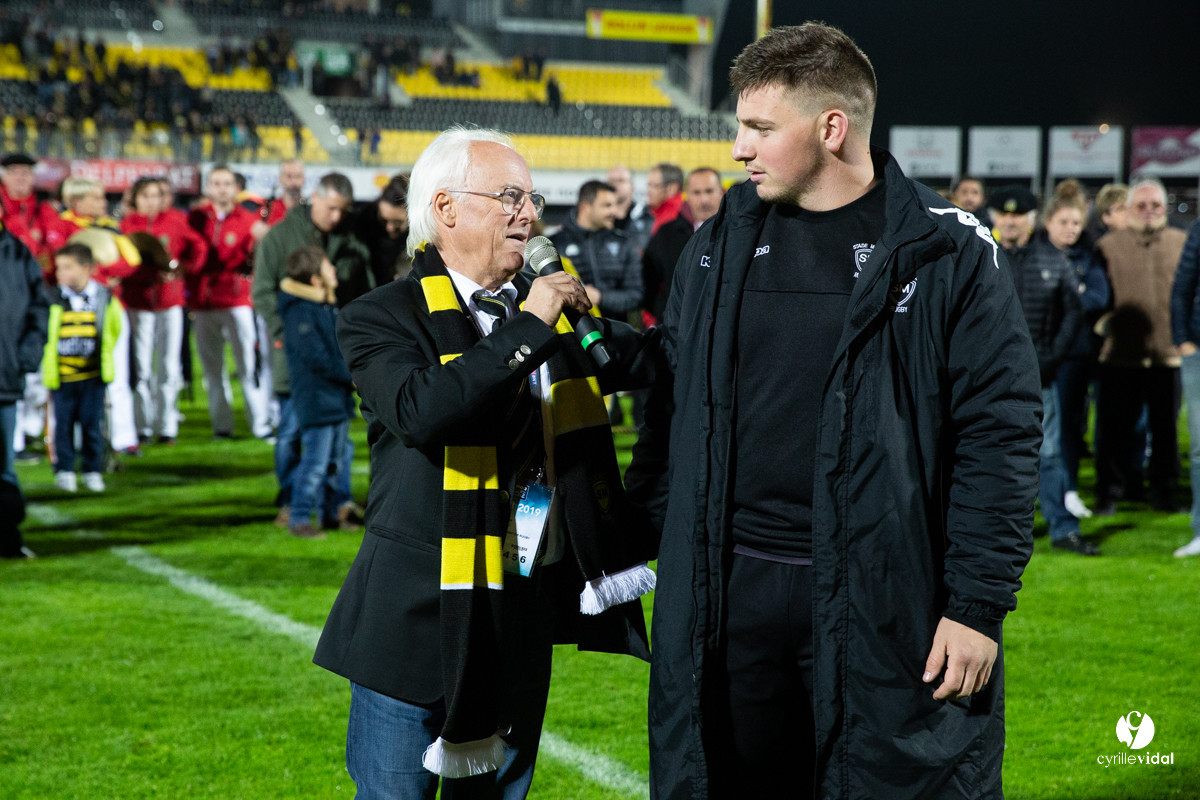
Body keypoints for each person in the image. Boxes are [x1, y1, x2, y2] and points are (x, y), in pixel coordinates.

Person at [624, 23, 1040, 799]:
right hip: (730, 588)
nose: (738, 149)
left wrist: (977, 606)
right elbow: (675, 409)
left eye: (758, 128)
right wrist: (625, 537)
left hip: (884, 592)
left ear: (831, 127)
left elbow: (1001, 433)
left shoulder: (946, 251)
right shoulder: (714, 245)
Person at [313, 126, 657, 799]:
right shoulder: (381, 314)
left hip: (521, 608)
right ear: (444, 208)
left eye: (532, 200)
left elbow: (655, 359)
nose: (528, 215)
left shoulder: (552, 315)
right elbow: (424, 411)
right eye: (509, 197)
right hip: (412, 619)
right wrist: (530, 326)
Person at [254, 173, 370, 529]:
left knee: (340, 442)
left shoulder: (351, 238)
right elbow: (261, 291)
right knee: (291, 433)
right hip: (298, 357)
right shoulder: (280, 237)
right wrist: (284, 334)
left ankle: (338, 502)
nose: (336, 217)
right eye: (332, 208)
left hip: (335, 356)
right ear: (315, 198)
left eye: (342, 211)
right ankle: (292, 502)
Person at [1093, 178, 1187, 515]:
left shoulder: (1181, 242)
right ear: (1129, 208)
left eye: (1156, 205)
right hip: (1120, 355)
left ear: (1165, 208)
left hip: (1168, 356)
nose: (1148, 212)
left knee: (1165, 432)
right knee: (1113, 431)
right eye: (1141, 205)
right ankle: (1111, 493)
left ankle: (1165, 493)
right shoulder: (1107, 245)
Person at [1009, 184, 1092, 553]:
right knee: (988, 454)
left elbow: (1073, 311)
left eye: (1018, 215)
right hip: (986, 378)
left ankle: (1061, 528)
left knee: (1050, 453)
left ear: (1031, 219)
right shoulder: (982, 253)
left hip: (1041, 373)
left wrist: (1053, 356)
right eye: (1004, 214)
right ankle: (1003, 534)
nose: (1011, 221)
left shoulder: (1052, 257)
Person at [47, 177, 143, 458]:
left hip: (110, 307)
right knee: (72, 378)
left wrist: (103, 271)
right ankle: (71, 440)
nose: (103, 203)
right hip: (70, 310)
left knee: (117, 374)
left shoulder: (109, 228)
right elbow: (59, 266)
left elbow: (131, 262)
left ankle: (123, 438)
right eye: (97, 197)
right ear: (77, 201)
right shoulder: (60, 225)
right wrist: (103, 273)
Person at [120, 176, 209, 445]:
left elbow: (199, 247)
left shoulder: (176, 220)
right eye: (145, 195)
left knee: (169, 366)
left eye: (156, 195)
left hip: (170, 303)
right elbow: (122, 262)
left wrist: (184, 269)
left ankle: (167, 425)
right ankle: (143, 425)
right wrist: (146, 275)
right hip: (138, 302)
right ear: (135, 199)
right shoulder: (127, 225)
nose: (151, 201)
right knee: (142, 366)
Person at [187, 165, 272, 440]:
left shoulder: (247, 219)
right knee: (213, 370)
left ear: (237, 188)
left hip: (236, 300)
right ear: (208, 188)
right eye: (216, 183)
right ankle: (222, 427)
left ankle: (260, 425)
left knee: (248, 366)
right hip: (203, 303)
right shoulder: (196, 218)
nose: (221, 189)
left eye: (227, 183)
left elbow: (266, 245)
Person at [278, 246, 355, 540]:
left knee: (336, 462)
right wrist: (351, 376)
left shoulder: (325, 305)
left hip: (334, 398)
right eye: (328, 267)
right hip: (318, 398)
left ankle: (329, 514)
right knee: (314, 463)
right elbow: (317, 358)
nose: (334, 271)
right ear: (315, 279)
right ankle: (299, 518)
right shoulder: (301, 311)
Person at [1048, 180, 1109, 520]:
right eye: (1064, 222)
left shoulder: (1089, 256)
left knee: (1069, 426)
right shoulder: (1035, 252)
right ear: (1048, 222)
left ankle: (1068, 489)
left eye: (1076, 223)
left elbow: (1098, 298)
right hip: (1041, 354)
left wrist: (1065, 299)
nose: (1071, 229)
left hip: (1075, 355)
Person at [42, 243, 123, 494]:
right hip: (63, 375)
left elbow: (114, 328)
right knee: (63, 425)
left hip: (92, 375)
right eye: (59, 268)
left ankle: (92, 470)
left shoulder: (103, 297)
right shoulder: (53, 297)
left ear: (87, 268)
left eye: (67, 267)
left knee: (92, 425)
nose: (60, 274)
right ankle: (64, 470)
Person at [0, 223, 49, 559]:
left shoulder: (16, 252)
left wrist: (25, 356)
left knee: (3, 466)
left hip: (4, 377)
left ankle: (7, 540)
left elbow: (39, 307)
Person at [642, 167, 725, 326]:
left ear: (721, 192)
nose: (704, 200)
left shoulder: (739, 232)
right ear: (686, 195)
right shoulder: (666, 234)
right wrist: (667, 312)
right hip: (678, 330)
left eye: (709, 191)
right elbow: (646, 284)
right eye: (697, 192)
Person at [549, 180, 642, 319]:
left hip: (615, 334)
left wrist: (600, 298)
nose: (614, 212)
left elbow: (636, 295)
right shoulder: (555, 243)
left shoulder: (624, 244)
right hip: (571, 334)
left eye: (615, 205)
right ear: (585, 207)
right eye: (607, 205)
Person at [1169, 217, 1200, 556]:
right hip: (1198, 351)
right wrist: (1183, 341)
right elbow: (1182, 286)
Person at [354, 173, 412, 287]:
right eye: (384, 220)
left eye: (397, 222)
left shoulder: (421, 237)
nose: (389, 227)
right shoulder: (359, 225)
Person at [0, 152, 56, 260]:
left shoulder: (44, 206)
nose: (19, 177)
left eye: (25, 173)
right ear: (4, 177)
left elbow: (53, 242)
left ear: (33, 177)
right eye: (13, 172)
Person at [606, 164, 652, 251]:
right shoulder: (599, 217)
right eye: (611, 181)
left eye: (621, 180)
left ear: (632, 186)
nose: (615, 185)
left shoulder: (646, 216)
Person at [989, 184, 1038, 250]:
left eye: (1016, 216)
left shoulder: (1046, 254)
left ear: (1032, 219)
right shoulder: (984, 253)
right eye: (1003, 215)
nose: (1009, 222)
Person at [646, 162, 684, 236]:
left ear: (671, 188)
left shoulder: (674, 215)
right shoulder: (656, 210)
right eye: (648, 185)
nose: (649, 190)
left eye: (654, 186)